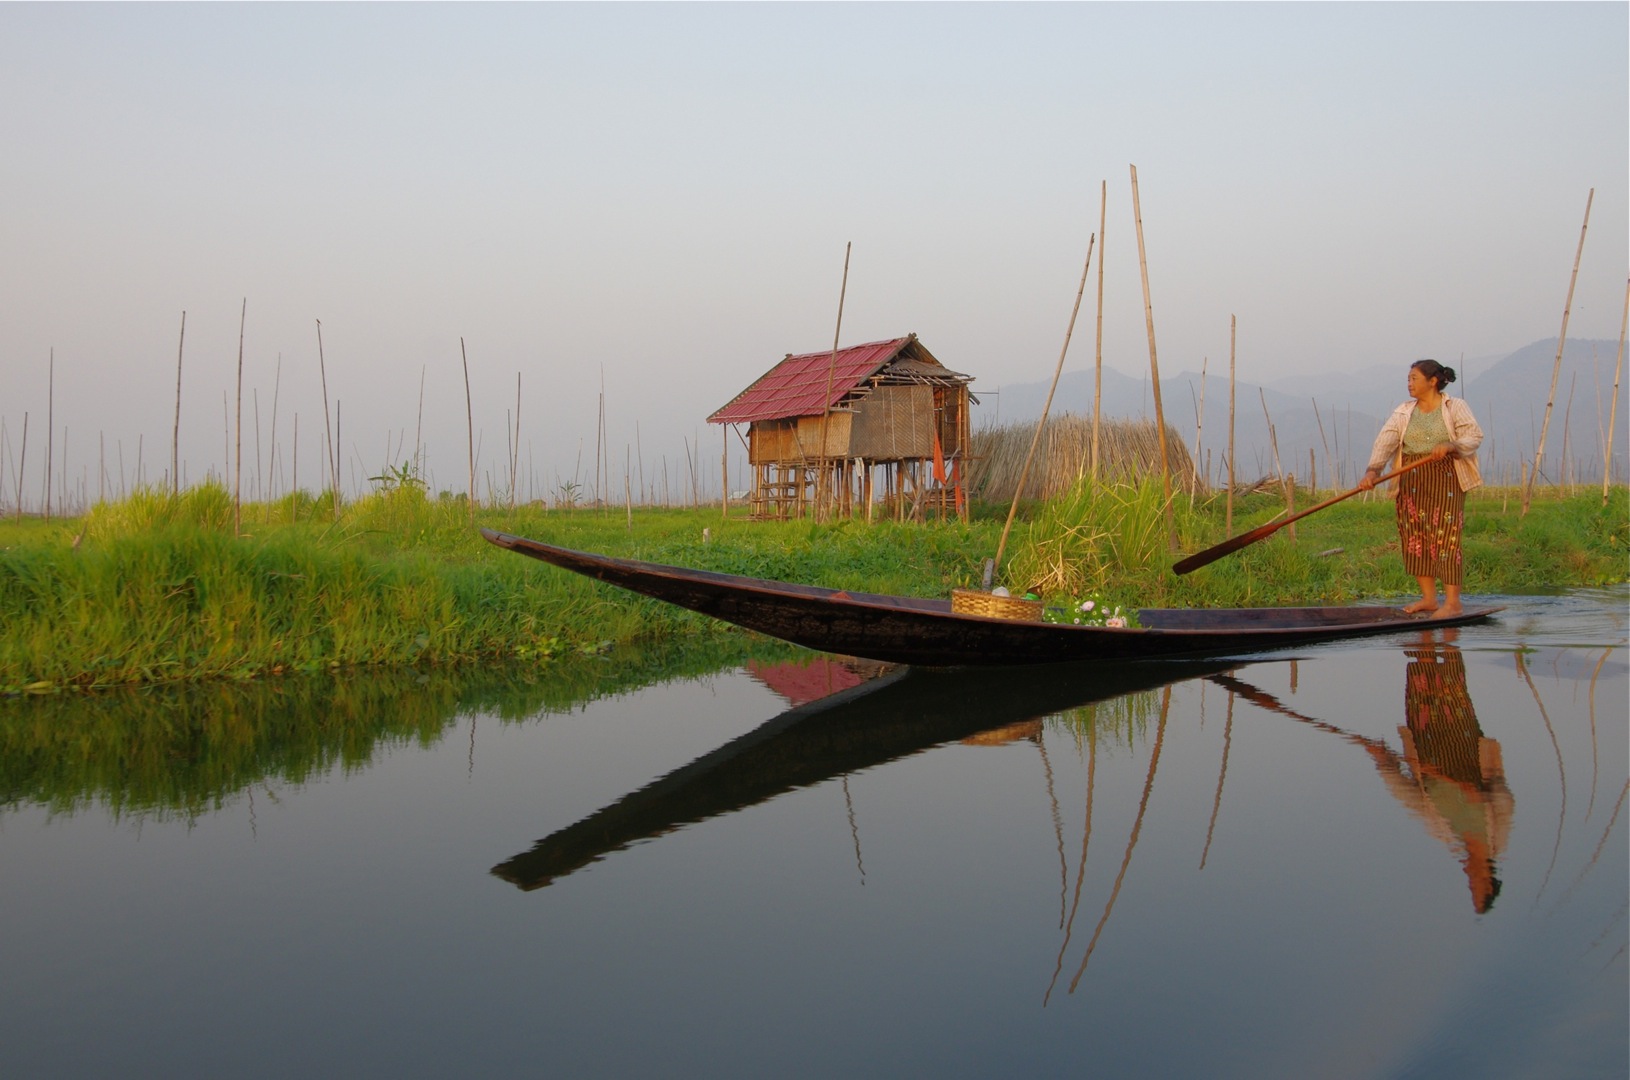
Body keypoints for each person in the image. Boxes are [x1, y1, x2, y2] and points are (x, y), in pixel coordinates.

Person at [1358, 359, 1483, 618]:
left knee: (1445, 537)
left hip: (1445, 478)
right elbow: (1386, 440)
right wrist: (1373, 471)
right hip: (1410, 479)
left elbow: (1473, 435)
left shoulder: (1454, 407)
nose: (1409, 383)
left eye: (1414, 378)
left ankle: (1452, 603)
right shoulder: (1404, 411)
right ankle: (1428, 599)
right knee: (1415, 537)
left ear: (1433, 381)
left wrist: (1451, 445)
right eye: (1408, 378)